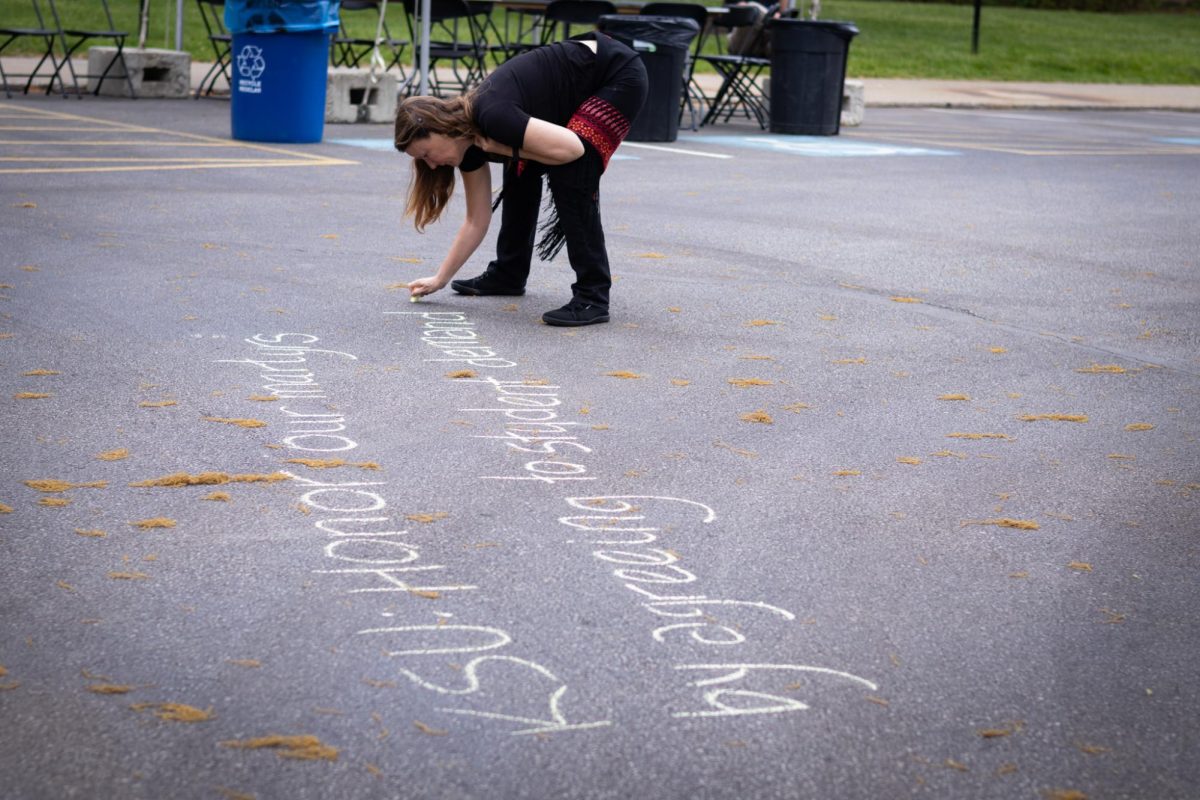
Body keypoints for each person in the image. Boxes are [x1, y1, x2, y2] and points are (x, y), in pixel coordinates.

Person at [394, 32, 648, 327]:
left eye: (426, 153)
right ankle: (509, 273)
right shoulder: (468, 144)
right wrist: (440, 278)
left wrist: (506, 148)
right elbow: (476, 220)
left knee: (570, 175)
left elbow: (574, 149)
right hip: (574, 86)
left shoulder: (491, 116)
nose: (432, 165)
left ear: (440, 128)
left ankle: (593, 296)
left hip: (616, 75)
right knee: (520, 171)